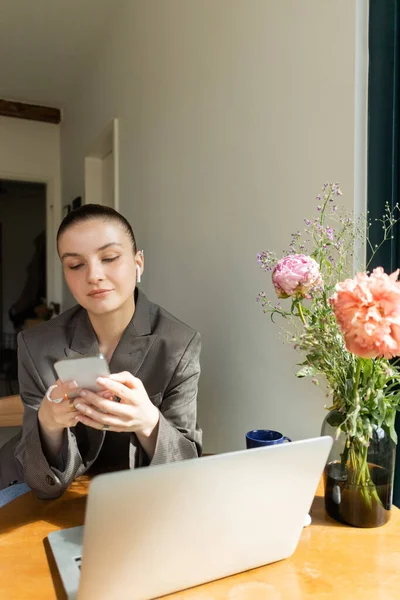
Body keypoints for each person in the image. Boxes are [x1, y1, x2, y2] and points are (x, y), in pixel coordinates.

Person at [0, 204, 202, 500]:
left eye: (109, 258)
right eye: (75, 265)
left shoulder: (178, 343)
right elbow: (36, 477)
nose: (94, 275)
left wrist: (150, 423)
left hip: (131, 497)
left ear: (138, 263)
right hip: (35, 488)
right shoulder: (37, 344)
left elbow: (187, 470)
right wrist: (48, 425)